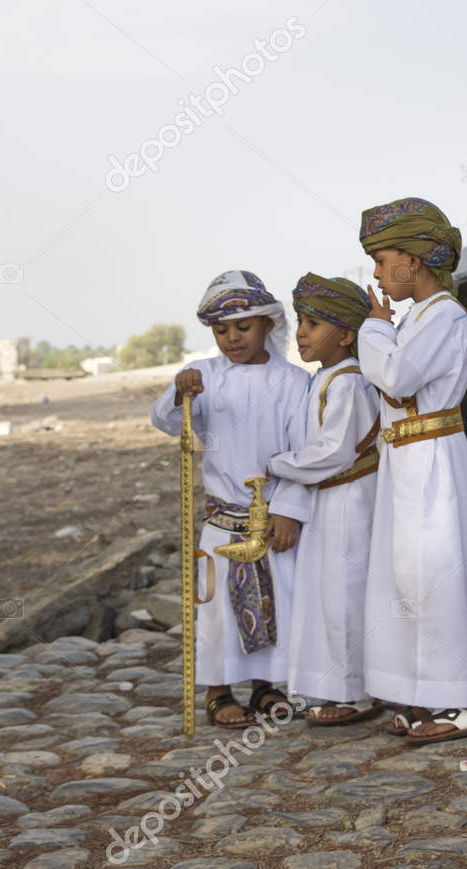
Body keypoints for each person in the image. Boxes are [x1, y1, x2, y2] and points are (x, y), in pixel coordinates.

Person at [355, 196, 467, 744]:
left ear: (411, 261)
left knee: (437, 578)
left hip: (432, 457)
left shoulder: (444, 316)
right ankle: (423, 692)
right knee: (406, 578)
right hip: (404, 460)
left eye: (381, 259)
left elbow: (396, 376)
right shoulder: (416, 317)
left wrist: (372, 328)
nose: (376, 273)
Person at [150, 270, 312, 728]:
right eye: (221, 330)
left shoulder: (294, 382)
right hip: (222, 521)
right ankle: (219, 692)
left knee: (276, 600)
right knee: (217, 609)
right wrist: (178, 393)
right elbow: (166, 421)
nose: (232, 338)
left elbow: (303, 456)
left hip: (273, 519)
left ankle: (267, 686)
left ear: (267, 324)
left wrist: (288, 512)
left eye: (243, 327)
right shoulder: (205, 377)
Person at [268, 273, 383, 726]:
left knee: (345, 600)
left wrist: (277, 464)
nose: (301, 333)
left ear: (346, 334)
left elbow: (334, 453)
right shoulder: (324, 380)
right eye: (300, 321)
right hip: (327, 507)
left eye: (314, 323)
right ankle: (333, 687)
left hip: (349, 506)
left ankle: (357, 692)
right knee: (325, 600)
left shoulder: (350, 383)